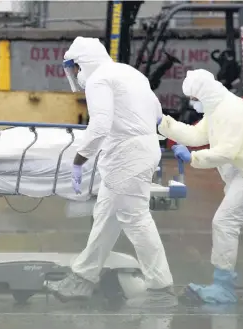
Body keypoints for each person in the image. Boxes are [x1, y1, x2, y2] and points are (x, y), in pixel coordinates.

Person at [47, 36, 176, 305]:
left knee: (135, 218)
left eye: (76, 68)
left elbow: (100, 125)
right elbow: (155, 113)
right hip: (142, 148)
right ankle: (83, 278)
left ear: (83, 62)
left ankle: (161, 286)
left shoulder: (98, 79)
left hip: (127, 155)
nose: (77, 75)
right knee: (106, 215)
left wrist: (80, 159)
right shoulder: (130, 73)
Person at [158, 68, 243, 304]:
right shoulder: (217, 109)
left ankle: (223, 287)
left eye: (194, 100)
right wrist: (164, 124)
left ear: (204, 94)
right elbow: (196, 134)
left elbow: (227, 151)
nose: (193, 105)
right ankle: (222, 286)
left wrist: (193, 159)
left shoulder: (231, 109)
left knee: (225, 222)